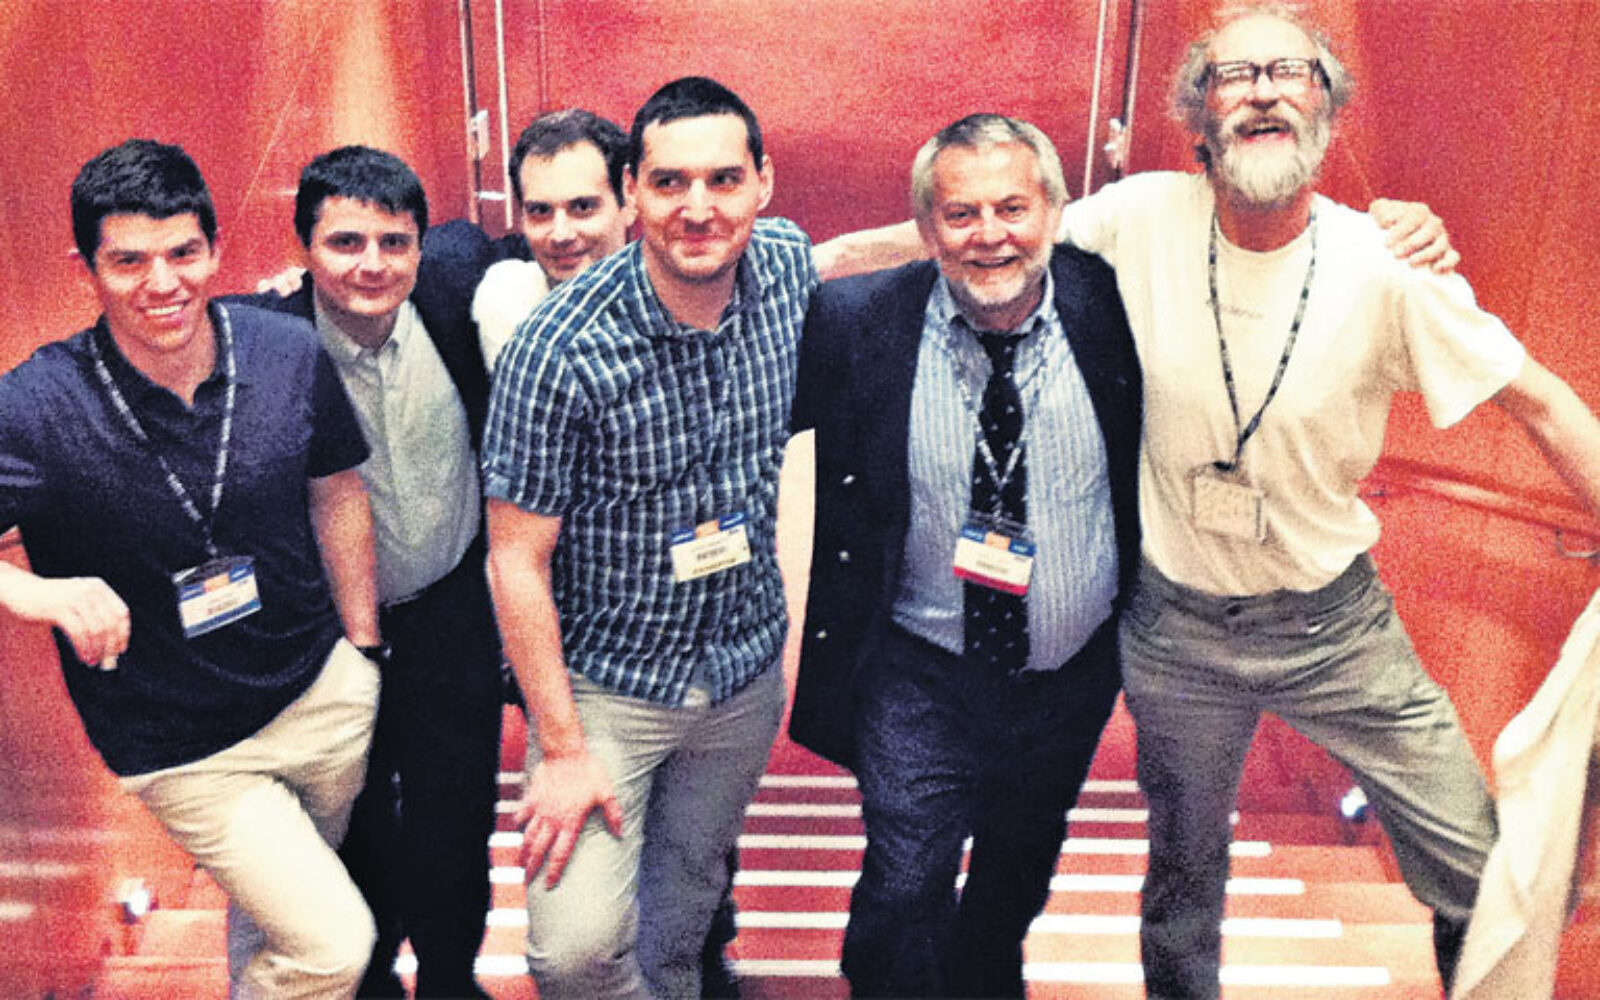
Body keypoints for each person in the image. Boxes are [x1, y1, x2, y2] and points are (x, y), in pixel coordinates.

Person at [1054, 6, 1600, 997]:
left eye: (1290, 72)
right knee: (1182, 879)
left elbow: (1542, 404)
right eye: (1235, 74)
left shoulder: (1388, 268)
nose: (1264, 90)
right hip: (1177, 633)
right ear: (1198, 112)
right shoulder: (1138, 218)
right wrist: (814, 263)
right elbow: (989, 239)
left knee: (1481, 878)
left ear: (1327, 107)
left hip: (1336, 630)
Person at [0, 138, 384, 998]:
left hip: (320, 695)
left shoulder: (285, 351)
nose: (162, 282)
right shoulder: (37, 405)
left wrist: (361, 650)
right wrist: (36, 591)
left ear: (214, 248)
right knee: (332, 945)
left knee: (278, 918)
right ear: (86, 268)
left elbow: (337, 488)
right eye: (129, 261)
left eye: (182, 252)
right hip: (180, 743)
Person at [788, 113, 1140, 998]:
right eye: (961, 213)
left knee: (1020, 863)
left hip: (1068, 674)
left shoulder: (1114, 305)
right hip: (920, 665)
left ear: (1055, 211)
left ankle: (986, 972)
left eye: (1012, 208)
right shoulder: (859, 323)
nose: (990, 235)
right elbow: (738, 398)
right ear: (925, 226)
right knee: (908, 874)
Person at [482, 76, 819, 1000]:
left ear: (763, 183)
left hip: (742, 674)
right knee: (576, 952)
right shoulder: (557, 350)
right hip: (608, 688)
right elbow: (515, 559)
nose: (698, 208)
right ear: (632, 191)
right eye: (670, 182)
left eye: (724, 180)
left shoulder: (784, 266)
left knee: (680, 924)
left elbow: (851, 254)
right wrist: (562, 749)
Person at [231, 145, 503, 998]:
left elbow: (564, 245)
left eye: (394, 241)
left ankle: (452, 978)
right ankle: (372, 979)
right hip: (328, 634)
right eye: (345, 242)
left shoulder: (459, 283)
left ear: (421, 245)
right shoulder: (262, 340)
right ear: (303, 247)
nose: (372, 264)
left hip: (451, 611)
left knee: (458, 812)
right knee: (351, 824)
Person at [472, 108, 636, 367]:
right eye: (540, 211)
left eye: (582, 207)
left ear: (629, 203)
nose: (560, 234)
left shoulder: (676, 301)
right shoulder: (508, 297)